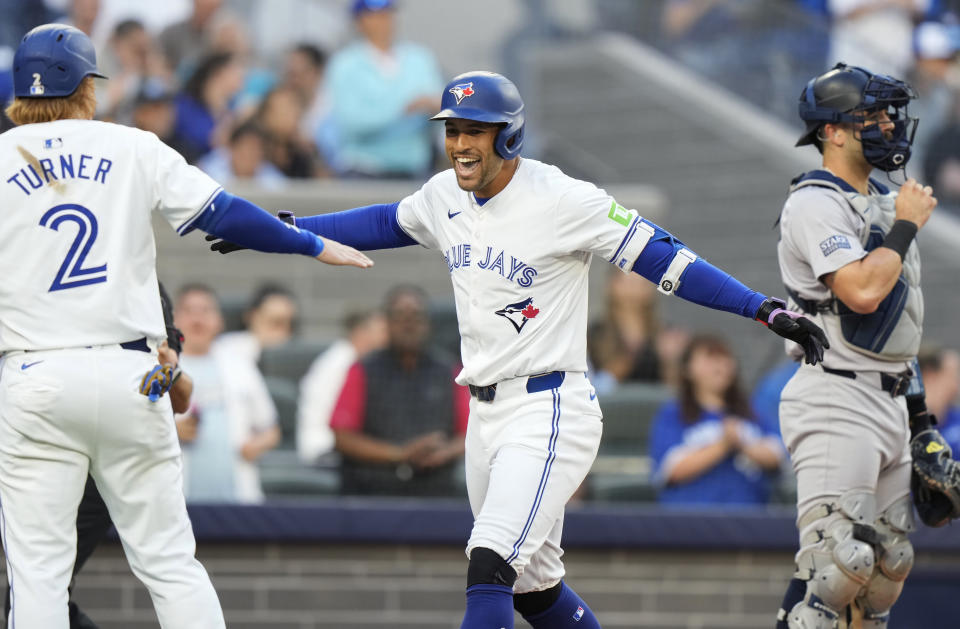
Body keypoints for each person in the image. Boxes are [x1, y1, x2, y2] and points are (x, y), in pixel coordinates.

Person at [209, 70, 826, 629]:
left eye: (475, 131)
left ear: (509, 137)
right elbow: (380, 222)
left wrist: (762, 308)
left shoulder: (564, 199)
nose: (459, 145)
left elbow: (667, 258)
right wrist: (280, 231)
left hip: (548, 406)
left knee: (489, 565)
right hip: (485, 413)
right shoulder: (444, 194)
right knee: (533, 590)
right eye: (452, 130)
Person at [0, 23, 371, 629]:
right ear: (86, 86)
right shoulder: (130, 145)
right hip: (132, 373)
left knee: (38, 572)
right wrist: (308, 242)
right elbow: (224, 214)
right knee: (170, 562)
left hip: (35, 376)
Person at [773, 62, 944, 628]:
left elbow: (899, 327)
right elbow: (863, 291)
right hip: (835, 397)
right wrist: (906, 225)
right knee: (833, 568)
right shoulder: (815, 201)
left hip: (889, 399)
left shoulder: (884, 200)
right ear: (833, 131)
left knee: (880, 577)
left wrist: (921, 420)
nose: (888, 127)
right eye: (870, 116)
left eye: (887, 115)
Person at [3, 282, 191, 629]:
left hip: (102, 461)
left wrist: (166, 375)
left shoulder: (141, 280)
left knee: (40, 586)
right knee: (39, 588)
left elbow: (180, 393)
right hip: (34, 441)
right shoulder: (26, 264)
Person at [330, 285, 470, 497]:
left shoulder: (451, 371)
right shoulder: (362, 369)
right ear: (386, 323)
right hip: (370, 487)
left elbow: (470, 433)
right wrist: (400, 454)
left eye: (416, 316)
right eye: (400, 316)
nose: (408, 323)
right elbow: (342, 437)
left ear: (428, 324)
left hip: (436, 486)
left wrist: (445, 452)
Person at [173, 284, 280, 503]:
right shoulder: (159, 366)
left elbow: (272, 431)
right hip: (177, 500)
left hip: (238, 499)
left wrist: (254, 446)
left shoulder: (240, 364)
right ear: (173, 320)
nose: (197, 319)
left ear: (219, 321)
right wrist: (170, 432)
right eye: (189, 311)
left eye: (205, 311)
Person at [649, 335, 784, 506]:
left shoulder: (752, 412)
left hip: (749, 518)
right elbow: (670, 470)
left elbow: (777, 456)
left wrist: (742, 444)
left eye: (724, 358)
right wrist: (723, 445)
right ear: (687, 368)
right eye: (709, 358)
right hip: (688, 519)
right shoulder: (673, 413)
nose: (719, 366)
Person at [323, 0, 443, 177]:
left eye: (388, 13)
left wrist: (431, 106)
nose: (384, 20)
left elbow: (442, 107)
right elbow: (352, 122)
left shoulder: (419, 58)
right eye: (375, 15)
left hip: (414, 170)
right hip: (363, 171)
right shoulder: (345, 64)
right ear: (359, 20)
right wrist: (405, 108)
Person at [298, 307, 387, 465]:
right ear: (360, 332)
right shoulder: (340, 363)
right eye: (383, 332)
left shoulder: (358, 362)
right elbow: (339, 424)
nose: (387, 339)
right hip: (325, 449)